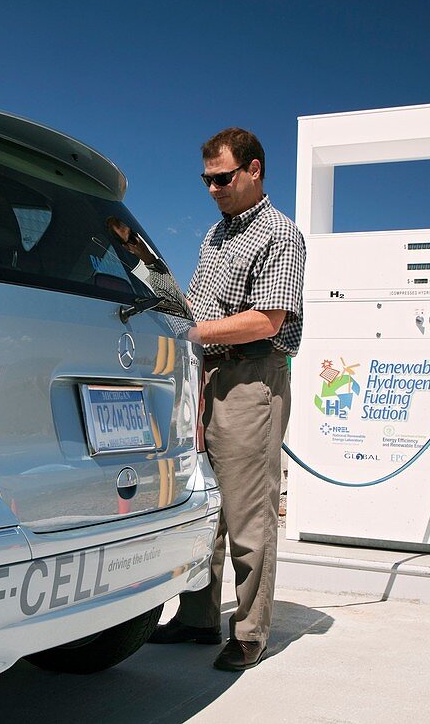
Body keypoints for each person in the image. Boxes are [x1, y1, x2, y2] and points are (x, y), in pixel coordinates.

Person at [148, 127, 305, 671]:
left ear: (254, 170)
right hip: (207, 379)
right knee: (205, 507)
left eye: (222, 177)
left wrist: (198, 336)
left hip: (250, 379)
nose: (212, 188)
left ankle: (250, 632)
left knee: (247, 512)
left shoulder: (279, 234)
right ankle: (195, 618)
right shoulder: (215, 237)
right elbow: (195, 307)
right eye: (206, 179)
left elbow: (268, 318)